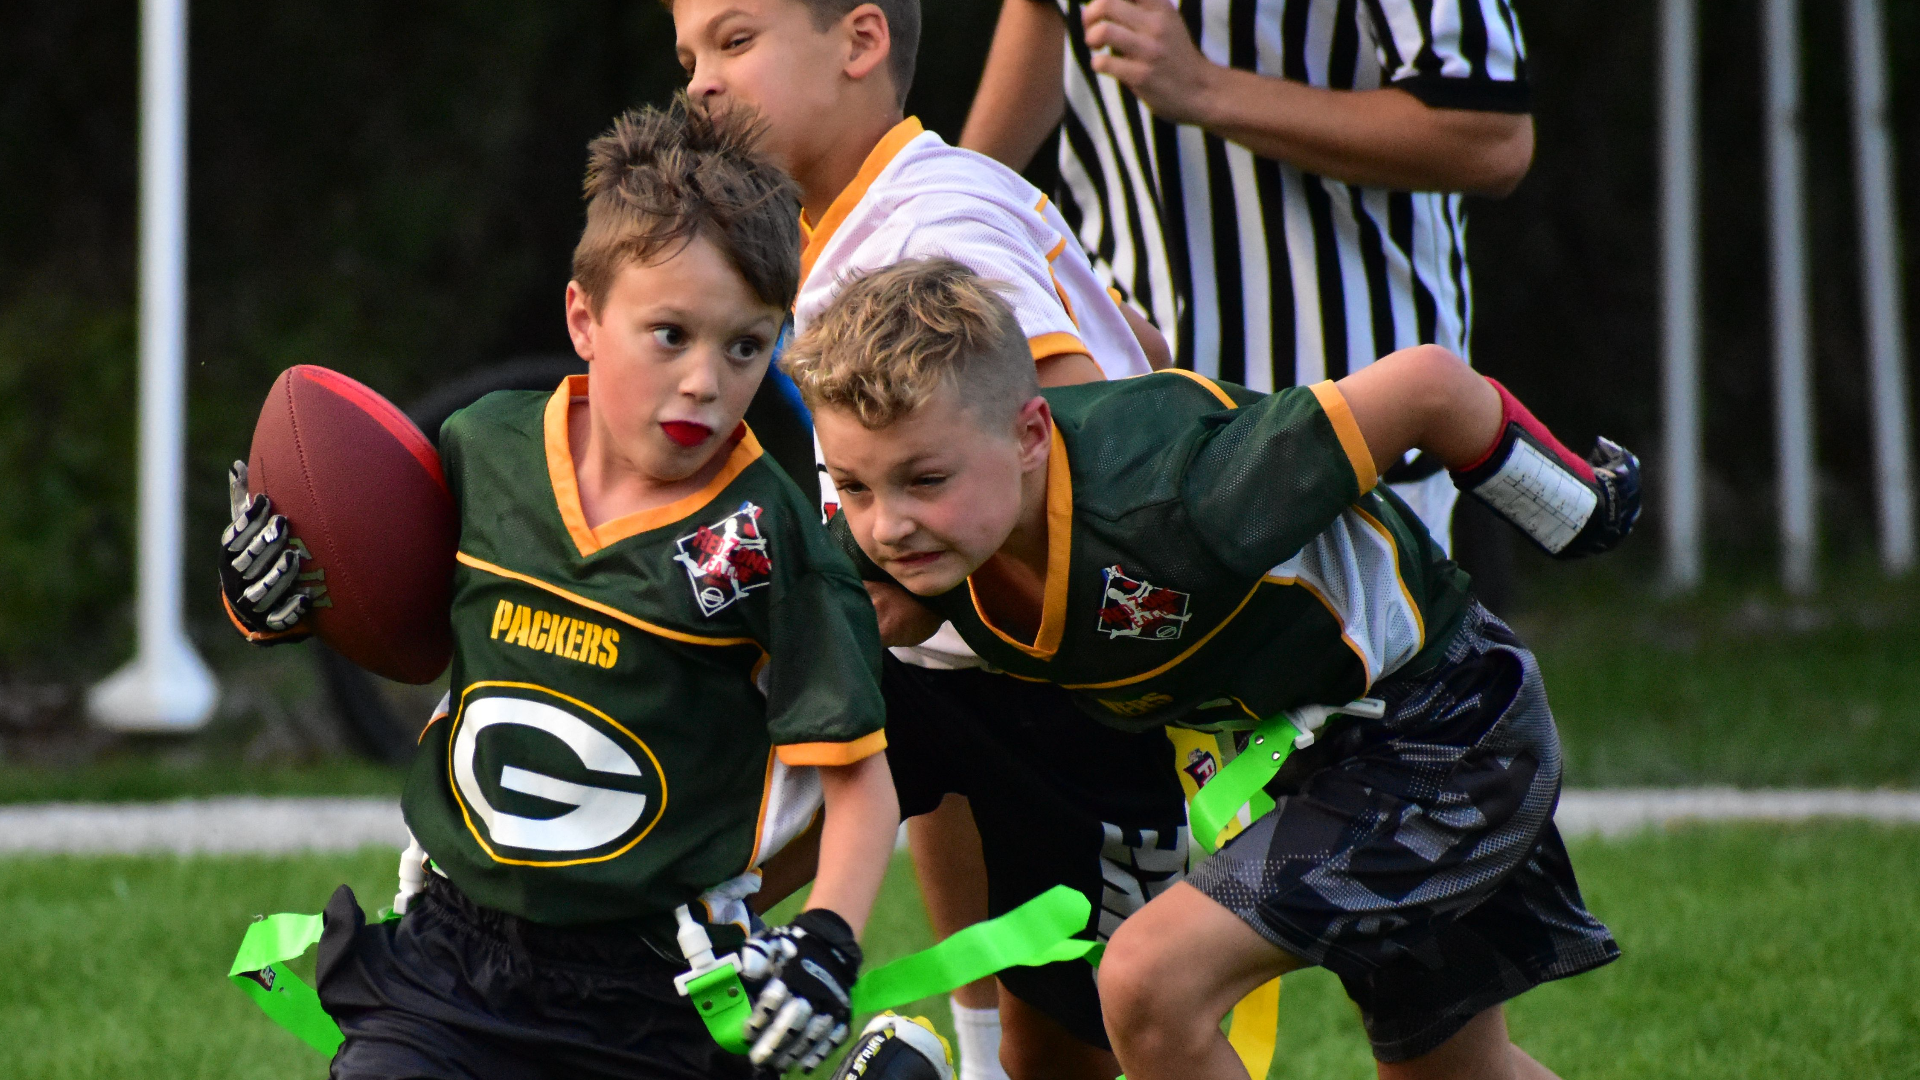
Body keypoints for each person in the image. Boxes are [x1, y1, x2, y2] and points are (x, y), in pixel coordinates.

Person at [789, 258, 1637, 1080]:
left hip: (1447, 730)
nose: (887, 526)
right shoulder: (902, 544)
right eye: (855, 487)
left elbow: (1426, 386)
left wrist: (1571, 503)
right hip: (1305, 758)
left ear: (1030, 435)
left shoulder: (1187, 499)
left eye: (924, 479)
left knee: (1149, 980)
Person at [217, 100, 901, 1079]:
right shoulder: (485, 447)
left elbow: (860, 776)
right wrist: (268, 596)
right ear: (584, 317)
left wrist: (829, 941)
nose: (706, 382)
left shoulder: (770, 534)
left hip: (651, 981)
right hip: (455, 953)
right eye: (671, 335)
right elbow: (379, 607)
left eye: (746, 347)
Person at [669, 4, 1182, 1076]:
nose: (699, 85)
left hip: (1094, 699)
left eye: (734, 41)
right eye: (689, 58)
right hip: (1001, 685)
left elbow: (1089, 452)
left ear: (859, 43)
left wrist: (863, 579)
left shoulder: (922, 236)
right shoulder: (879, 213)